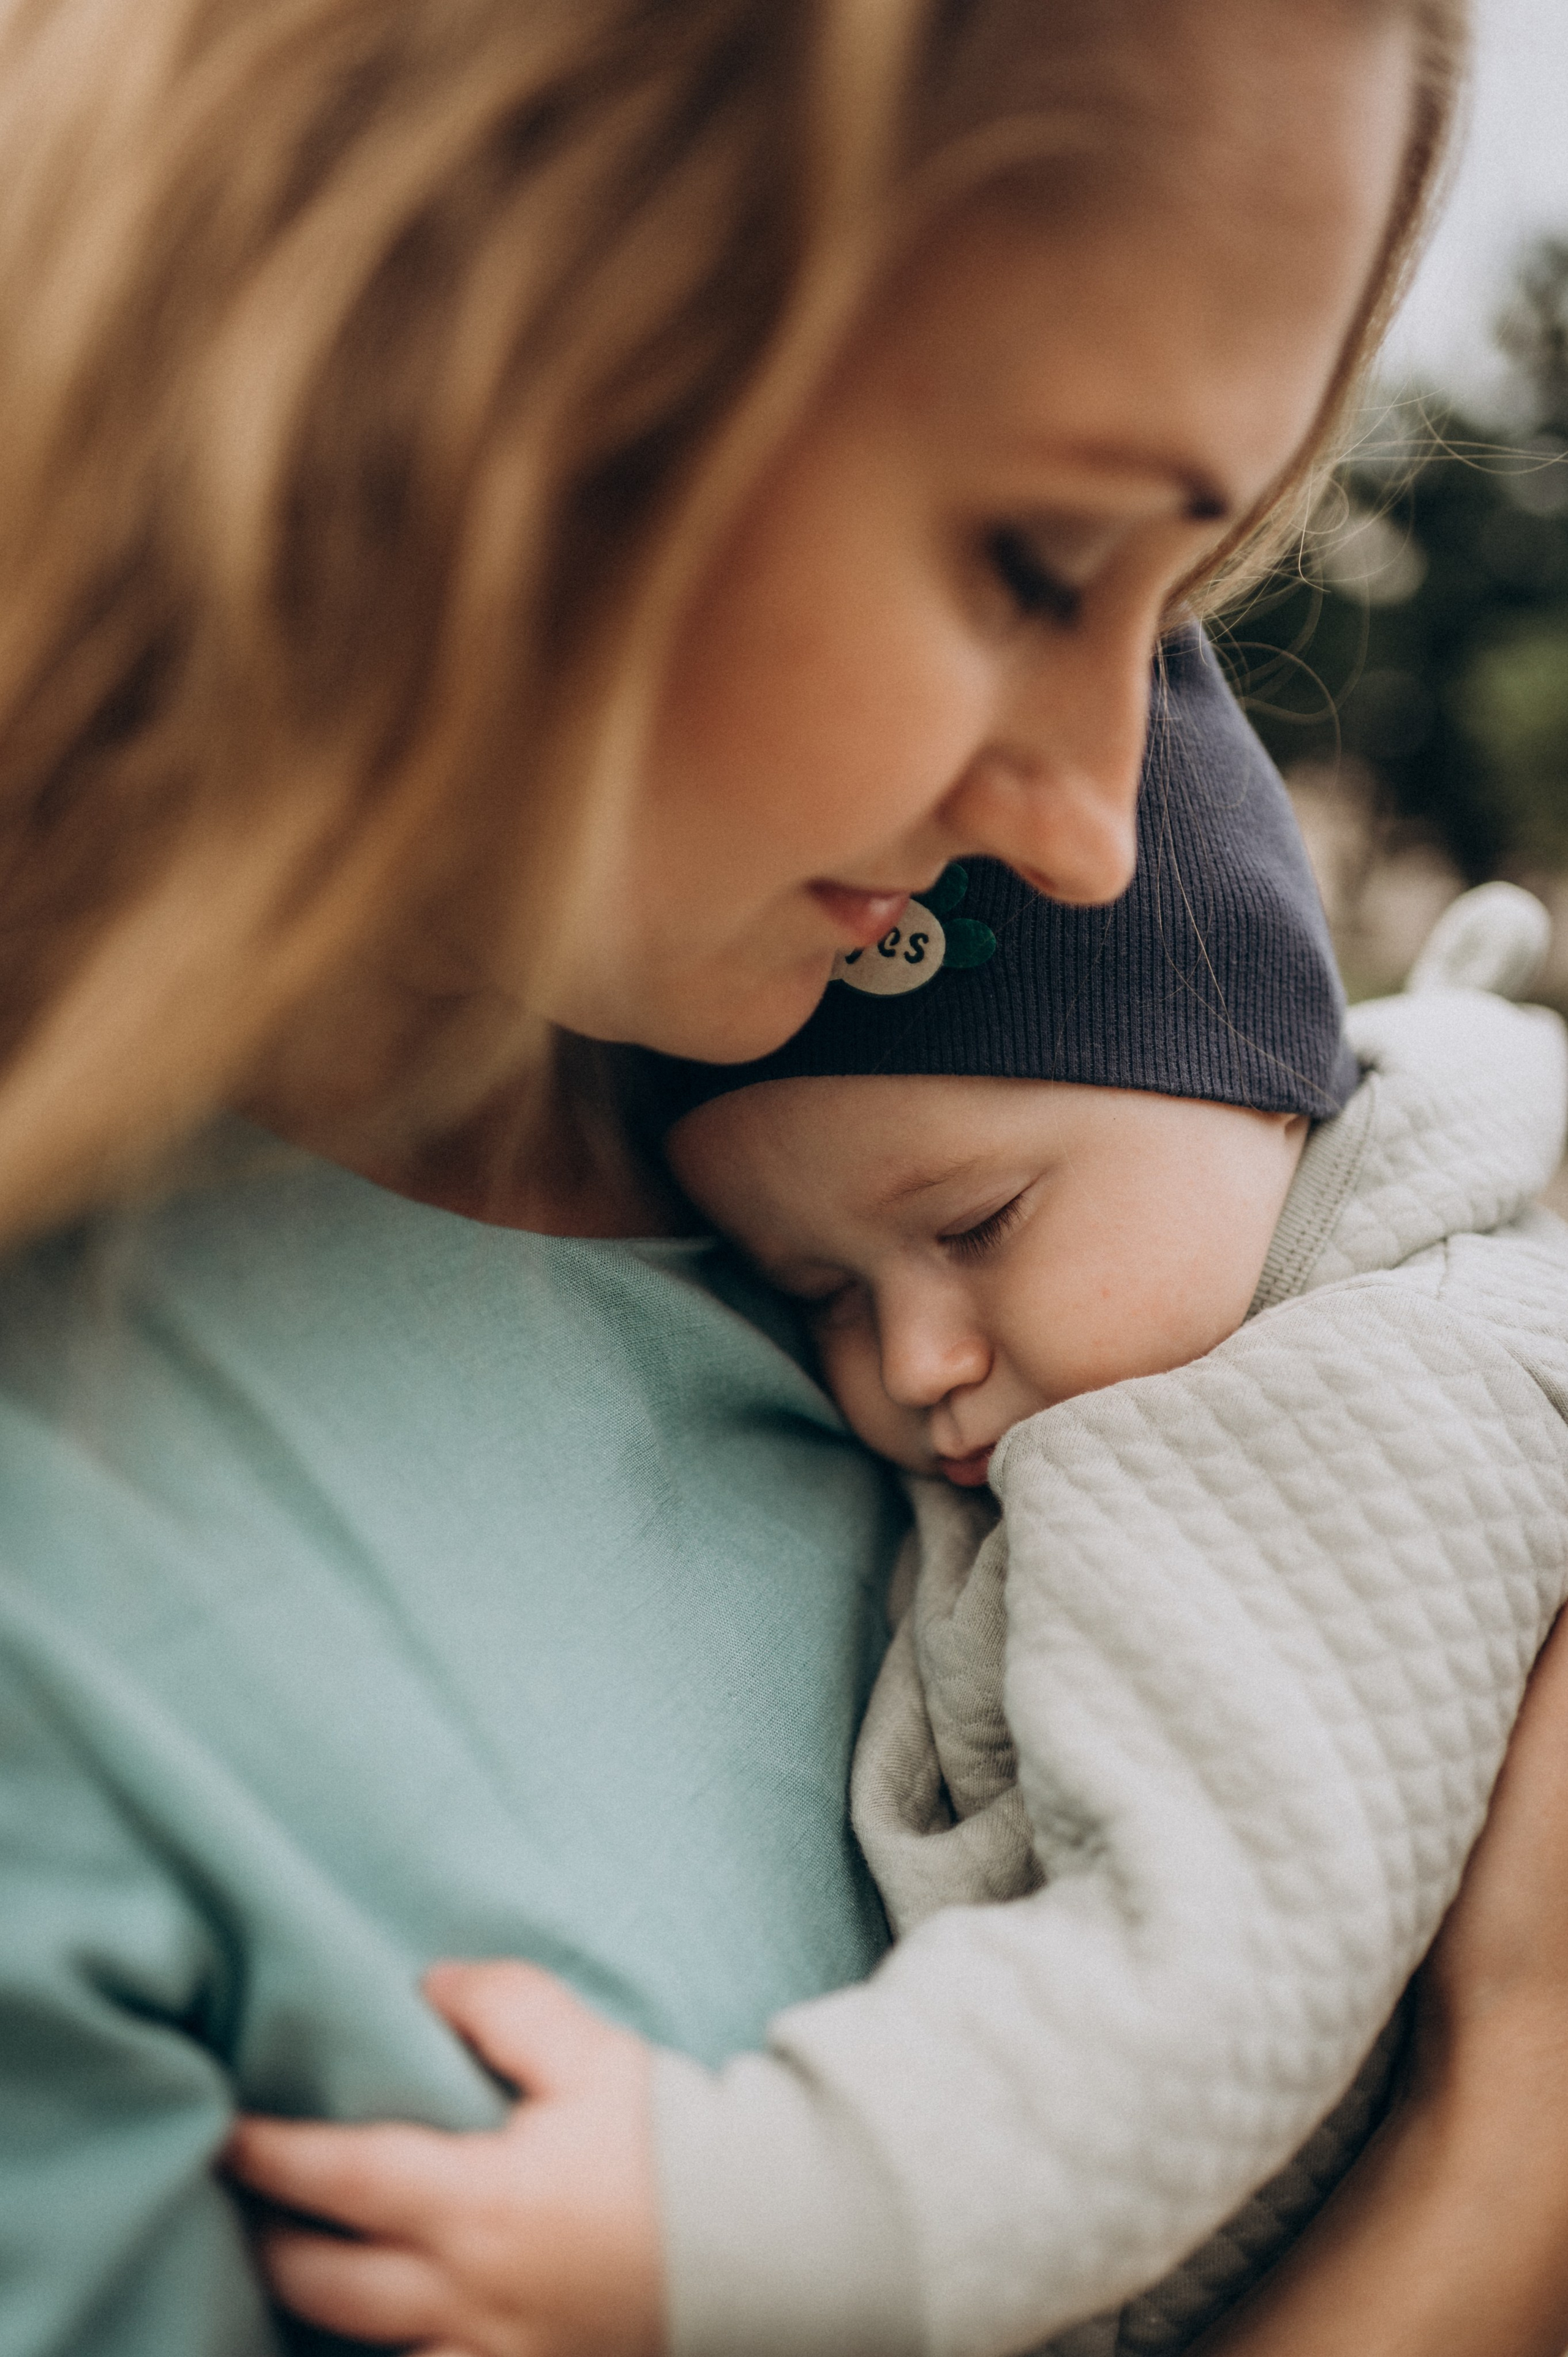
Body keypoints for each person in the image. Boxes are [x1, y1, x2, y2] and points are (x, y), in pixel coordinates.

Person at [6, 2, 1568, 2355]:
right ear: (466, 327)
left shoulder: (835, 1098)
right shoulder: (88, 1571)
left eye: (1181, 607)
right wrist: (1498, 2180)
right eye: (1037, 561)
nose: (1100, 827)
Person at [224, 641, 1568, 2357]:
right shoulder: (1263, 1311)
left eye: (978, 1224)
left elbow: (1191, 1986)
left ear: (1267, 1074)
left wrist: (721, 2221)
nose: (916, 1358)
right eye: (823, 1294)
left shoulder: (1345, 1409)